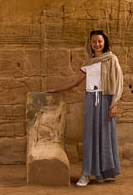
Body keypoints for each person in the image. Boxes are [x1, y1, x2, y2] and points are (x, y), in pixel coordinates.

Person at [50, 30, 124, 186]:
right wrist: (57, 89)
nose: (97, 44)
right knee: (89, 136)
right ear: (90, 44)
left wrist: (115, 103)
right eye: (94, 42)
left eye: (99, 41)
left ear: (105, 42)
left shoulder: (111, 59)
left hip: (106, 99)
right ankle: (86, 173)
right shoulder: (88, 63)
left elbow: (118, 82)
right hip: (91, 100)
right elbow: (75, 82)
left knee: (104, 135)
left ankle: (101, 173)